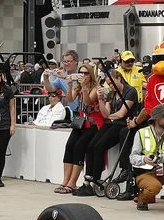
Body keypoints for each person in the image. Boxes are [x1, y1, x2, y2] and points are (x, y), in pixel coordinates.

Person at [77, 67, 138, 196]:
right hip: (111, 123)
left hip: (121, 124)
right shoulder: (111, 94)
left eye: (111, 83)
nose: (110, 86)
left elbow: (121, 114)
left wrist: (109, 116)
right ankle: (88, 179)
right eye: (108, 84)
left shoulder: (130, 91)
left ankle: (96, 179)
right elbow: (105, 114)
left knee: (99, 146)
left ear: (119, 79)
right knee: (90, 146)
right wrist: (100, 100)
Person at [58, 63, 105, 195]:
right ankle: (65, 181)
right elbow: (69, 99)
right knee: (69, 146)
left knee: (79, 147)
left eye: (86, 73)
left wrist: (84, 88)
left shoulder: (96, 88)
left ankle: (72, 182)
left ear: (90, 75)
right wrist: (69, 85)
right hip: (81, 122)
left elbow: (89, 102)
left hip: (93, 123)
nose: (83, 76)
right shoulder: (78, 87)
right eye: (81, 73)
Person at [130, 105, 164, 213]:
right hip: (144, 172)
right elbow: (132, 158)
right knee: (154, 188)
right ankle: (142, 197)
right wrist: (144, 159)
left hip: (161, 170)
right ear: (156, 119)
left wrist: (162, 158)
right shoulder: (141, 133)